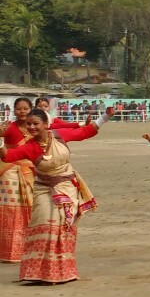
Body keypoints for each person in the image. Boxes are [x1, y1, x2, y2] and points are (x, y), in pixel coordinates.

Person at [0, 107, 114, 283]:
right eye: (29, 124)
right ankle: (39, 272)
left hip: (67, 187)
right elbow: (8, 156)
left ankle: (63, 271)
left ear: (46, 125)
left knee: (63, 228)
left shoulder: (59, 136)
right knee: (45, 225)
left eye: (35, 123)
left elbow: (86, 131)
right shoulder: (29, 147)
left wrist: (106, 116)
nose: (31, 127)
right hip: (44, 189)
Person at [0, 98, 36, 262]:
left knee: (32, 208)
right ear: (14, 111)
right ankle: (8, 251)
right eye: (19, 109)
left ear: (31, 110)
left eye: (25, 108)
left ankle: (29, 247)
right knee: (10, 209)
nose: (22, 111)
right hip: (9, 173)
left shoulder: (35, 128)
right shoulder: (9, 128)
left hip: (31, 171)